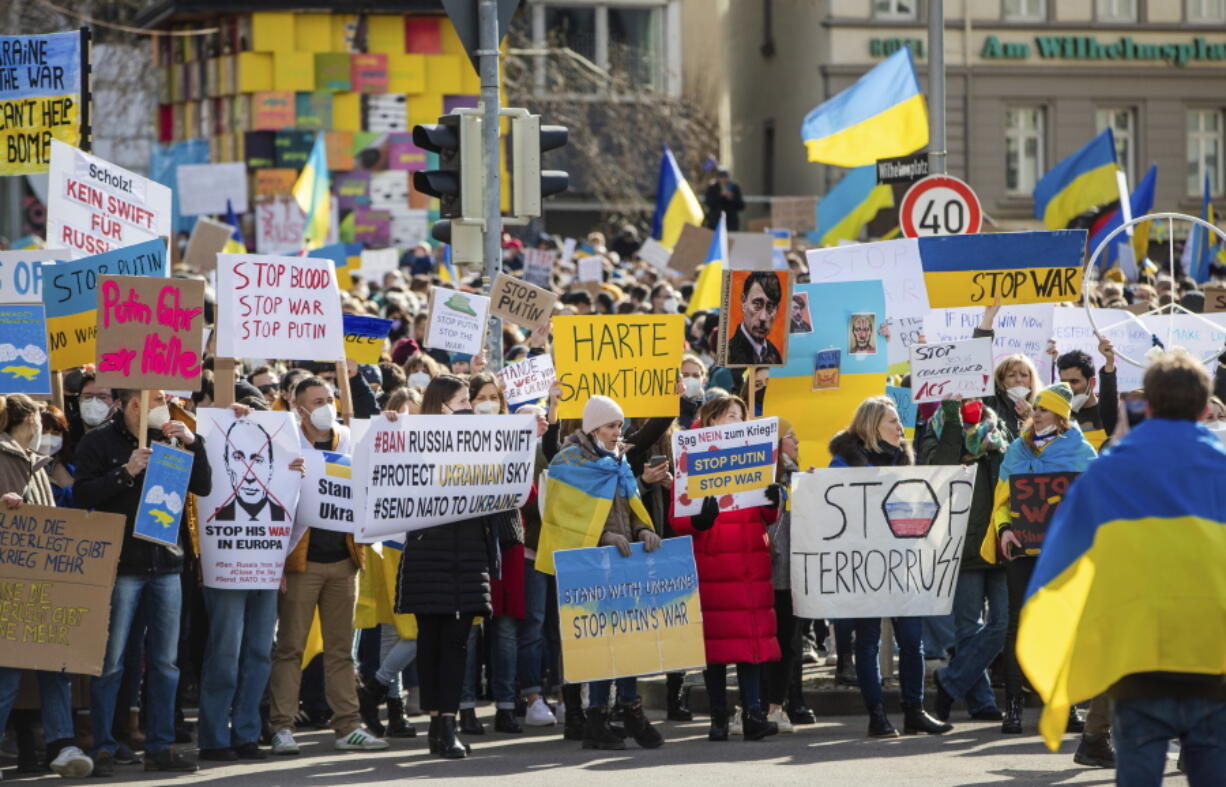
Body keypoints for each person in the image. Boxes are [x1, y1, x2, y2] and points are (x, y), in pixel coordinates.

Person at [1016, 351, 1226, 785]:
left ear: (1146, 407)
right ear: (1206, 407)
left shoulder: (1107, 472)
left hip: (1136, 663)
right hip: (1214, 663)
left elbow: (1058, 570)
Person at [74, 389, 212, 776]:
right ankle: (104, 747)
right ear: (136, 404)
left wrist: (193, 444)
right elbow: (82, 494)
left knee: (166, 664)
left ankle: (160, 747)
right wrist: (126, 472)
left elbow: (202, 486)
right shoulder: (98, 442)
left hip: (166, 565)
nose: (165, 409)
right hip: (121, 568)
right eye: (157, 402)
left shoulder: (170, 437)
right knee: (112, 663)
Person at [536, 395, 665, 751]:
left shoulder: (618, 459)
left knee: (627, 637)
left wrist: (642, 530)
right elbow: (563, 518)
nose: (616, 432)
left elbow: (630, 501)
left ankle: (629, 706)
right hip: (592, 565)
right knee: (600, 642)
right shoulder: (568, 462)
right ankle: (595, 717)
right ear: (593, 428)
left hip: (623, 561)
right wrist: (601, 536)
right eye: (610, 426)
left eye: (619, 426)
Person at [268, 376, 386, 756]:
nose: (326, 406)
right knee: (290, 648)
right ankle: (282, 726)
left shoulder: (348, 439)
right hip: (302, 564)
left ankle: (348, 725)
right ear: (298, 407)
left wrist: (394, 424)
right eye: (317, 400)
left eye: (329, 399)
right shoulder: (285, 444)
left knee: (340, 651)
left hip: (343, 563)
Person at [828, 396, 953, 738]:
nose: (900, 428)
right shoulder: (844, 464)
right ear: (872, 426)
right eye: (892, 422)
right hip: (867, 565)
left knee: (913, 642)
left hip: (902, 565)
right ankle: (877, 715)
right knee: (867, 641)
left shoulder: (905, 461)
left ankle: (914, 711)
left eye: (899, 422)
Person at [393, 375, 503, 759]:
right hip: (429, 555)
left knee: (456, 644)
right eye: (462, 401)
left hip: (468, 554)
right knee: (431, 642)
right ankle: (436, 723)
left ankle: (447, 726)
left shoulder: (480, 439)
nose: (469, 407)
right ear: (442, 405)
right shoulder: (417, 441)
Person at [979, 382, 1097, 738]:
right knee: (1018, 624)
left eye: (1043, 409)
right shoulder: (1016, 450)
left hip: (1064, 552)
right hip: (1022, 550)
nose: (1036, 413)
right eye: (1036, 408)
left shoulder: (1082, 450)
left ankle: (1065, 705)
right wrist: (1004, 531)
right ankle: (1012, 708)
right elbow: (1002, 501)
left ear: (1060, 417)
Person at [197, 404, 305, 763]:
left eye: (258, 458)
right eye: (239, 458)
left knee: (259, 653)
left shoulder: (284, 487)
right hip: (226, 569)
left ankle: (245, 733)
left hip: (268, 571)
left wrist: (299, 481)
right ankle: (213, 737)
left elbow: (302, 519)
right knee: (225, 654)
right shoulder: (215, 507)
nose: (248, 468)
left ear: (271, 465)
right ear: (226, 464)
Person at [670, 394, 782, 742]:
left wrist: (773, 501)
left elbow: (765, 514)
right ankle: (718, 718)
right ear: (712, 420)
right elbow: (678, 518)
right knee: (715, 648)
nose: (736, 420)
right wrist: (699, 522)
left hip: (749, 562)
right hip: (714, 563)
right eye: (729, 415)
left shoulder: (755, 456)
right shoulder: (691, 457)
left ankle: (753, 715)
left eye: (740, 415)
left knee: (752, 646)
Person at [0, 394, 94, 778]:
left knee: (56, 668)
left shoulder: (38, 465)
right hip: (9, 586)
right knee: (6, 673)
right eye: (41, 420)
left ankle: (62, 744)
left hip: (42, 584)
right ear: (30, 422)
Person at [921, 390, 1011, 724]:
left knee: (1004, 622)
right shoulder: (937, 426)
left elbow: (1011, 473)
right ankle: (982, 702)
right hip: (960, 542)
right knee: (967, 627)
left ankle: (951, 680)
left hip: (999, 539)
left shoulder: (996, 426)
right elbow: (942, 466)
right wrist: (953, 416)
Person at [764, 420, 817, 730]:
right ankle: (759, 704)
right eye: (789, 436)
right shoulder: (758, 479)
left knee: (789, 641)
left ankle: (778, 705)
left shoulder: (797, 476)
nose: (796, 440)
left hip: (790, 575)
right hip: (764, 573)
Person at [1055, 341, 1118, 435]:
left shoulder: (1107, 413)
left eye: (1074, 381)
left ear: (1092, 383)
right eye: (1063, 382)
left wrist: (1109, 361)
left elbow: (1109, 393)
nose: (1068, 388)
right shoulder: (1058, 416)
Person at [727, 272, 784, 366]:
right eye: (757, 305)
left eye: (770, 307)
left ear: (777, 309)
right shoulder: (728, 353)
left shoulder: (775, 355)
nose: (763, 317)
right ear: (743, 302)